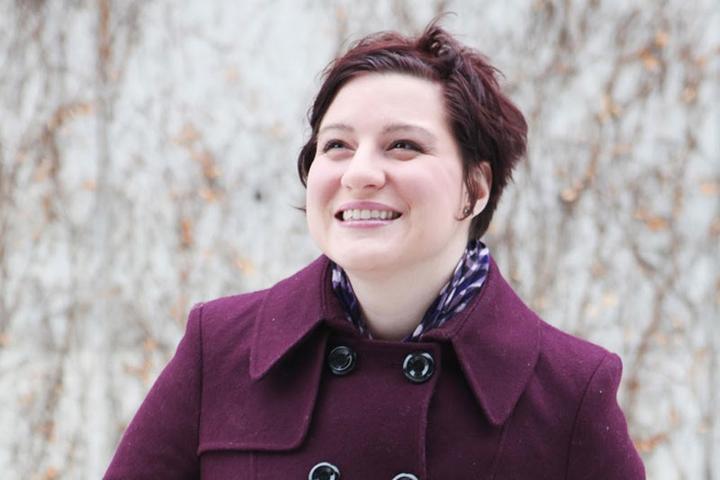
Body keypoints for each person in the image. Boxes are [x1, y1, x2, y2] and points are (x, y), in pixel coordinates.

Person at [105, 21, 645, 479]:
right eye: (336, 145)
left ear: (474, 188)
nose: (360, 173)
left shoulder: (571, 390)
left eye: (403, 145)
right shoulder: (220, 349)